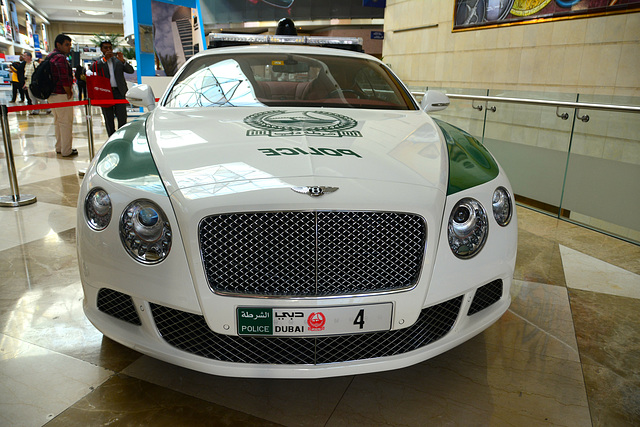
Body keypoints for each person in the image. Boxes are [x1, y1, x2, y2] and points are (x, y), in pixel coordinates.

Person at [93, 41, 134, 136]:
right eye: (106, 48)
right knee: (108, 118)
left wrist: (123, 61)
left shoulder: (118, 60)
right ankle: (111, 138)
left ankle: (122, 137)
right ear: (101, 50)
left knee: (122, 117)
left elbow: (130, 70)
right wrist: (104, 59)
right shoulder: (98, 60)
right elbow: (93, 68)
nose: (108, 50)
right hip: (105, 93)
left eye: (110, 48)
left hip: (119, 92)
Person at [48, 34, 76, 157]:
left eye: (70, 45)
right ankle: (66, 150)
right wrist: (69, 92)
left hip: (51, 95)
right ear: (58, 45)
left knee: (58, 121)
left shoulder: (50, 56)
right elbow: (64, 78)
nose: (69, 47)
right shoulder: (60, 58)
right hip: (61, 94)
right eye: (66, 44)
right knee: (65, 122)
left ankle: (59, 147)